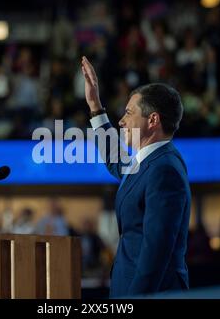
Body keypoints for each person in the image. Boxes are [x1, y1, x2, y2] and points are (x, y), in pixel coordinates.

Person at [80, 56, 191, 297]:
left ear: (153, 120)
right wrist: (95, 106)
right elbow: (115, 160)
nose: (121, 121)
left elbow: (155, 253)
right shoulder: (149, 161)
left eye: (129, 113)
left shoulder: (164, 170)